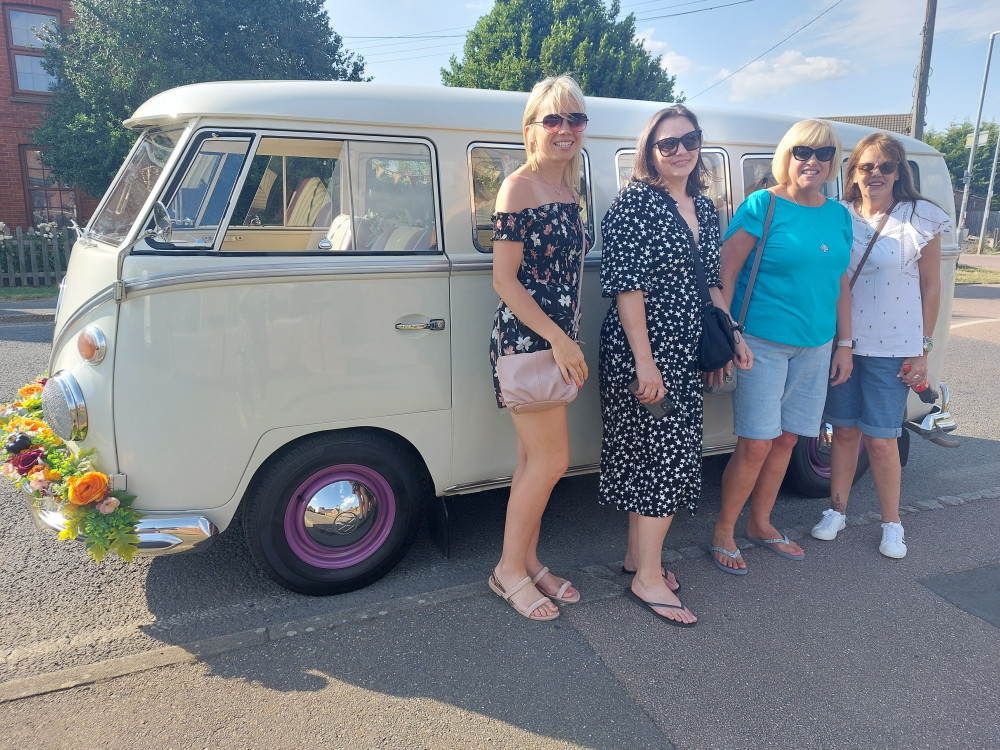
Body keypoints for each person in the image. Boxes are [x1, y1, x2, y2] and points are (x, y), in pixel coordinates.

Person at [599, 105, 726, 627]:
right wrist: (646, 365)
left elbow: (713, 279)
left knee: (653, 457)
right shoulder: (635, 204)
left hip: (684, 348)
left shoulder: (705, 207)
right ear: (649, 151)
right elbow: (628, 289)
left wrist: (728, 332)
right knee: (665, 460)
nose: (680, 151)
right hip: (644, 351)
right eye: (667, 143)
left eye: (689, 140)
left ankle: (637, 558)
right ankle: (647, 578)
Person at [710, 119, 853, 574]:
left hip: (816, 345)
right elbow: (725, 273)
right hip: (761, 344)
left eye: (823, 153)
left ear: (834, 161)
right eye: (801, 152)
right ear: (786, 156)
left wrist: (844, 344)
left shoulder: (838, 214)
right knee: (755, 443)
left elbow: (841, 283)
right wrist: (730, 332)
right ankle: (724, 532)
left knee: (789, 439)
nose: (812, 161)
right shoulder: (763, 205)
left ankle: (761, 523)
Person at [810, 132, 950, 558]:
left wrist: (922, 348)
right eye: (866, 166)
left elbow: (930, 287)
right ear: (853, 172)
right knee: (844, 432)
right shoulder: (839, 215)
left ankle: (893, 523)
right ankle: (837, 510)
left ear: (898, 172)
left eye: (885, 166)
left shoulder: (918, 216)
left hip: (895, 345)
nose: (875, 174)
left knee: (883, 439)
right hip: (845, 343)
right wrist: (841, 343)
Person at [487, 75, 589, 621]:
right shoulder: (519, 187)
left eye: (575, 119)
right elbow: (505, 280)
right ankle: (507, 572)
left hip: (556, 342)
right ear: (532, 129)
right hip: (531, 343)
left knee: (533, 461)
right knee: (552, 460)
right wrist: (559, 339)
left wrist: (566, 338)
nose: (566, 129)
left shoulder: (571, 191)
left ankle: (526, 560)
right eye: (554, 119)